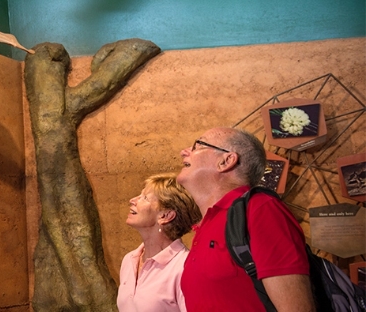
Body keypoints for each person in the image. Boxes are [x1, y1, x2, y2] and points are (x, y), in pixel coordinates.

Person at [177, 127, 315, 311]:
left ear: (226, 161)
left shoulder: (260, 209)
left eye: (198, 145)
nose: (184, 152)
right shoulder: (206, 223)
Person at [117, 173, 202, 312]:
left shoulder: (184, 267)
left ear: (165, 215)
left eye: (144, 197)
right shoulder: (129, 260)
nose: (133, 200)